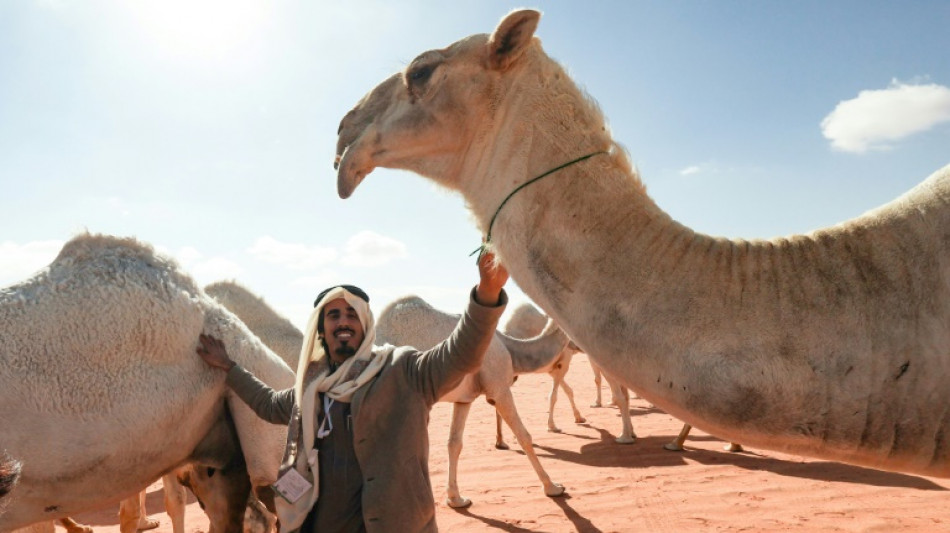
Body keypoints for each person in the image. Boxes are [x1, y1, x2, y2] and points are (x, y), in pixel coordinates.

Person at [196, 251, 509, 533]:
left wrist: (487, 293)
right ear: (321, 330)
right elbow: (267, 403)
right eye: (333, 315)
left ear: (366, 325)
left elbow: (461, 354)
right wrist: (229, 367)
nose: (343, 321)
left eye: (351, 314)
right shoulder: (313, 387)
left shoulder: (404, 372)